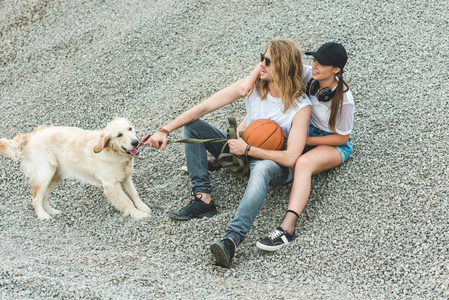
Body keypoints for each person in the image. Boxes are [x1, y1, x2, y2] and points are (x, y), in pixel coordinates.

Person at [147, 39, 312, 268]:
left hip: (273, 162)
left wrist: (248, 149)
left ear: (283, 66)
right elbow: (204, 107)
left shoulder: (300, 106)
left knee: (262, 169)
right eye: (261, 58)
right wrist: (164, 130)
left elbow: (291, 157)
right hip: (242, 150)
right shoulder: (253, 87)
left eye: (267, 61)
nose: (260, 64)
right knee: (193, 126)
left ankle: (231, 240)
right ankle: (203, 199)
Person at [243, 42, 355, 252]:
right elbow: (268, 64)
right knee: (265, 127)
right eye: (314, 60)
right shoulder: (309, 74)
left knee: (303, 162)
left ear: (336, 70)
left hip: (331, 142)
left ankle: (287, 228)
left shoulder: (344, 101)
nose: (314, 66)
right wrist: (250, 82)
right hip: (306, 130)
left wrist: (305, 141)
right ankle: (224, 155)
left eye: (321, 64)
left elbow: (342, 138)